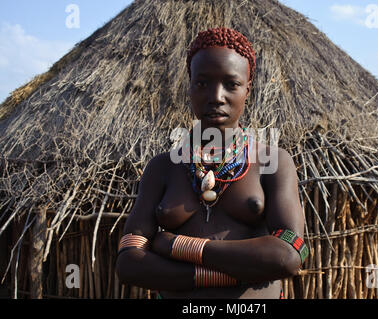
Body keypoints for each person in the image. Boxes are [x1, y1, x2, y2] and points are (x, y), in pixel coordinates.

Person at [115, 27, 308, 299]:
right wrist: (237, 271)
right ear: (190, 85)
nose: (216, 96)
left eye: (231, 84)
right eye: (203, 83)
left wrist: (177, 246)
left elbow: (290, 254)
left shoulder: (273, 162)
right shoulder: (163, 168)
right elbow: (128, 263)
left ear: (247, 89)